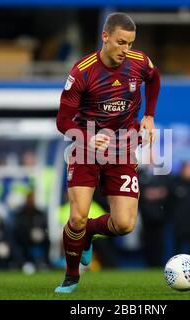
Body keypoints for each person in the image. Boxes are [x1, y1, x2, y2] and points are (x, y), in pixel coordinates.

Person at [55, 12, 160, 292]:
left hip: (124, 148)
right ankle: (71, 275)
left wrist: (148, 115)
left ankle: (89, 232)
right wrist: (87, 139)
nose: (126, 50)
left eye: (130, 43)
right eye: (121, 42)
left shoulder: (138, 63)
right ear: (105, 37)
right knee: (77, 216)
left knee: (124, 224)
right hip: (85, 149)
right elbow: (62, 121)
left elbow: (155, 78)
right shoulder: (82, 72)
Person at [138, 163, 168, 267]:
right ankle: (149, 264)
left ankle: (157, 264)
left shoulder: (163, 172)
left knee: (158, 241)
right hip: (144, 214)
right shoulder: (140, 172)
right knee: (146, 241)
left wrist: (157, 193)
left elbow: (168, 189)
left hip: (159, 215)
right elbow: (137, 189)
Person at [167, 162, 190, 257]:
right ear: (183, 170)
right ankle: (176, 267)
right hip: (178, 222)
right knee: (178, 247)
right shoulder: (174, 183)